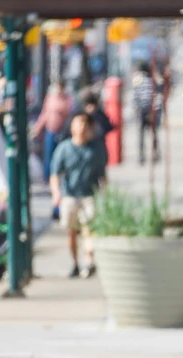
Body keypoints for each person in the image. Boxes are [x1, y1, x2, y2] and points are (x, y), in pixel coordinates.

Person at [49, 112, 108, 279]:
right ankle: (75, 263)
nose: (82, 127)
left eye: (85, 124)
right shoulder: (64, 148)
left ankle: (89, 260)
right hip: (70, 196)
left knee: (89, 228)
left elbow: (102, 176)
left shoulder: (96, 149)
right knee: (72, 232)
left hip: (89, 195)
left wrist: (106, 195)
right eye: (78, 123)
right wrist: (56, 193)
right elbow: (55, 173)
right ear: (72, 127)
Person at [33, 80, 74, 184]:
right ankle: (47, 177)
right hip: (50, 130)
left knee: (61, 155)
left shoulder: (67, 99)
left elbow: (69, 112)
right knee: (49, 154)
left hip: (62, 131)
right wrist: (38, 127)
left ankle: (60, 176)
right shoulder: (50, 98)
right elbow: (45, 114)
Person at [133, 62, 164, 165]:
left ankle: (141, 155)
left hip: (143, 110)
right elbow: (160, 92)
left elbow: (136, 97)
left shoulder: (138, 81)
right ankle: (155, 153)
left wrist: (137, 110)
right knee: (153, 133)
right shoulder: (152, 81)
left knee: (141, 134)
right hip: (152, 109)